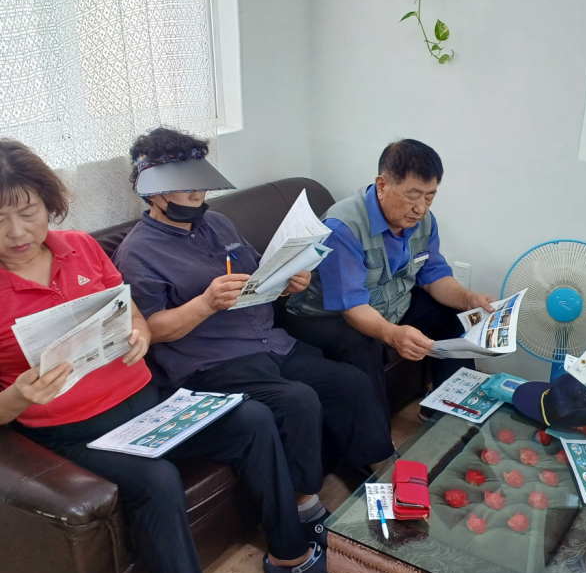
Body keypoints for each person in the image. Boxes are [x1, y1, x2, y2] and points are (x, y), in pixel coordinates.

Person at [0, 139, 335, 573]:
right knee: (156, 480)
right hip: (74, 431)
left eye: (27, 212)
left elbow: (129, 311)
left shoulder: (81, 248)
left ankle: (289, 554)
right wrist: (14, 396)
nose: (15, 232)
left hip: (145, 401)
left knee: (253, 418)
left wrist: (135, 333)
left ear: (48, 203)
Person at [114, 128, 394, 537]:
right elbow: (151, 331)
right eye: (184, 185)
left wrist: (289, 280)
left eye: (200, 183)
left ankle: (387, 477)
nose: (197, 194)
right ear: (152, 190)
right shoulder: (137, 252)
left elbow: (261, 273)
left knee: (349, 382)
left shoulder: (218, 223)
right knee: (297, 401)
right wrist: (205, 303)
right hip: (213, 363)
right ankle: (304, 508)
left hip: (271, 344)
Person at [287, 139, 496, 419]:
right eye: (413, 195)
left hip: (390, 301)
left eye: (429, 196)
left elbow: (434, 276)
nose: (421, 208)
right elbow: (353, 307)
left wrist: (467, 298)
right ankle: (377, 440)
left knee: (456, 315)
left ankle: (450, 410)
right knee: (364, 347)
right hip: (328, 315)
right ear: (382, 185)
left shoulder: (423, 221)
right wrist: (394, 334)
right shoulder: (343, 227)